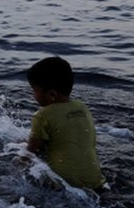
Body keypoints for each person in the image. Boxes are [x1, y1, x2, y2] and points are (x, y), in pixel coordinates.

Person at [26, 56, 106, 190]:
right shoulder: (82, 107)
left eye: (35, 90)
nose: (33, 94)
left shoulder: (42, 115)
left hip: (63, 184)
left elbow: (32, 152)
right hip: (96, 181)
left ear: (52, 94)